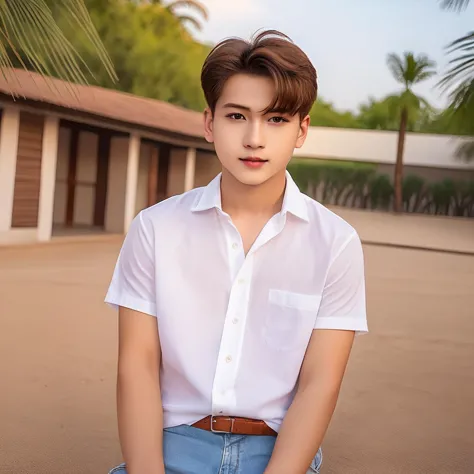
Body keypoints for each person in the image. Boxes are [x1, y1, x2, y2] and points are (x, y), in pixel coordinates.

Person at [105, 29, 368, 474]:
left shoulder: (336, 243)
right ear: (209, 123)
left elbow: (319, 384)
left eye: (277, 119)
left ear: (302, 130)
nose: (254, 138)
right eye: (236, 116)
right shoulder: (155, 229)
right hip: (174, 444)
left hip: (278, 453)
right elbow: (138, 367)